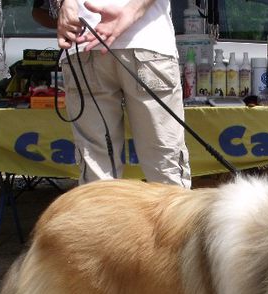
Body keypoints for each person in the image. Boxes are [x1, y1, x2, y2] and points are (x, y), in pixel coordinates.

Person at [55, 0, 191, 188]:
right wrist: (132, 10)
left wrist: (66, 4)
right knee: (164, 164)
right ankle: (173, 217)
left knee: (97, 169)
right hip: (145, 40)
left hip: (85, 41)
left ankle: (101, 217)